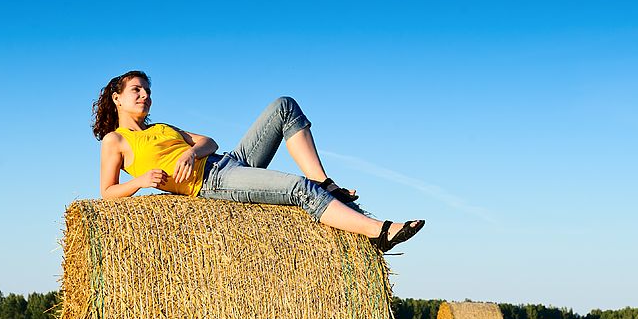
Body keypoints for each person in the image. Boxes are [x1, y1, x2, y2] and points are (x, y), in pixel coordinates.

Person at [93, 70, 424, 252]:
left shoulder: (162, 128)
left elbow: (209, 141)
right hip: (212, 183)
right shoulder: (116, 140)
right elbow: (107, 190)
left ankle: (325, 183)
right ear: (117, 97)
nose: (145, 95)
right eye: (137, 90)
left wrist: (191, 151)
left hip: (229, 161)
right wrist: (139, 181)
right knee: (297, 188)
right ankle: (378, 232)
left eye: (148, 90)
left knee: (284, 105)